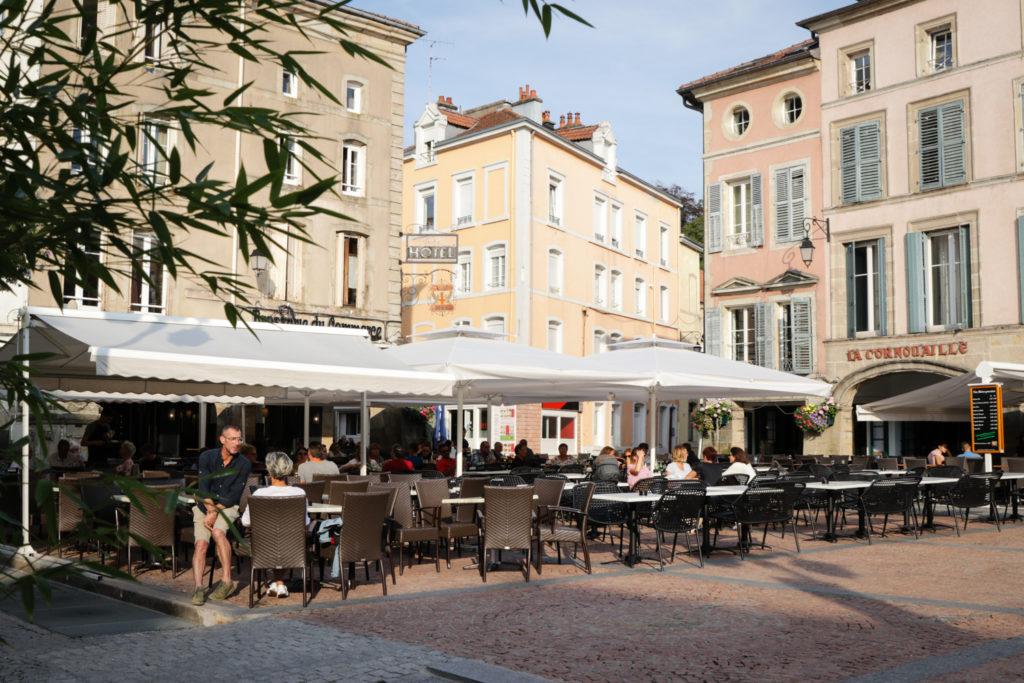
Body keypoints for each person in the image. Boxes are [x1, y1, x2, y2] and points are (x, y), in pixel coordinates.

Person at [191, 425, 252, 606]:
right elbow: (203, 487)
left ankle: (226, 581)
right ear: (222, 439)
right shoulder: (207, 457)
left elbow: (234, 494)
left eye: (239, 439)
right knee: (201, 544)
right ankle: (199, 587)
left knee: (218, 533)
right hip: (204, 506)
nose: (237, 443)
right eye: (233, 439)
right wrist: (210, 511)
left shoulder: (244, 464)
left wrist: (215, 512)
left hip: (228, 507)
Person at [240, 451, 311, 598]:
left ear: (269, 470)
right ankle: (279, 583)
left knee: (275, 542)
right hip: (292, 546)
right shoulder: (299, 492)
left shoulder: (259, 494)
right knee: (289, 541)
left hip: (264, 545)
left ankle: (277, 583)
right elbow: (305, 523)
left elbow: (246, 522)